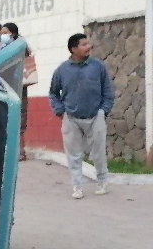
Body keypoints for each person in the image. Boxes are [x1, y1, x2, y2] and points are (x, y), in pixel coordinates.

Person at [49, 33, 114, 199]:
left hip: (96, 116)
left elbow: (107, 91)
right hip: (71, 117)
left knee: (98, 152)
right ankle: (77, 186)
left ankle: (102, 182)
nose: (88, 47)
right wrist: (60, 111)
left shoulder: (97, 67)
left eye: (88, 43)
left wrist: (103, 110)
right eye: (84, 44)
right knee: (74, 154)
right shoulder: (62, 70)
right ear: (73, 49)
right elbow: (54, 93)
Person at [3, 22, 34, 161]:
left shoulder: (19, 47)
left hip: (19, 87)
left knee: (19, 119)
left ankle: (21, 152)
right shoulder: (8, 47)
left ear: (13, 33)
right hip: (11, 86)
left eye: (5, 33)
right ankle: (16, 152)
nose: (2, 35)